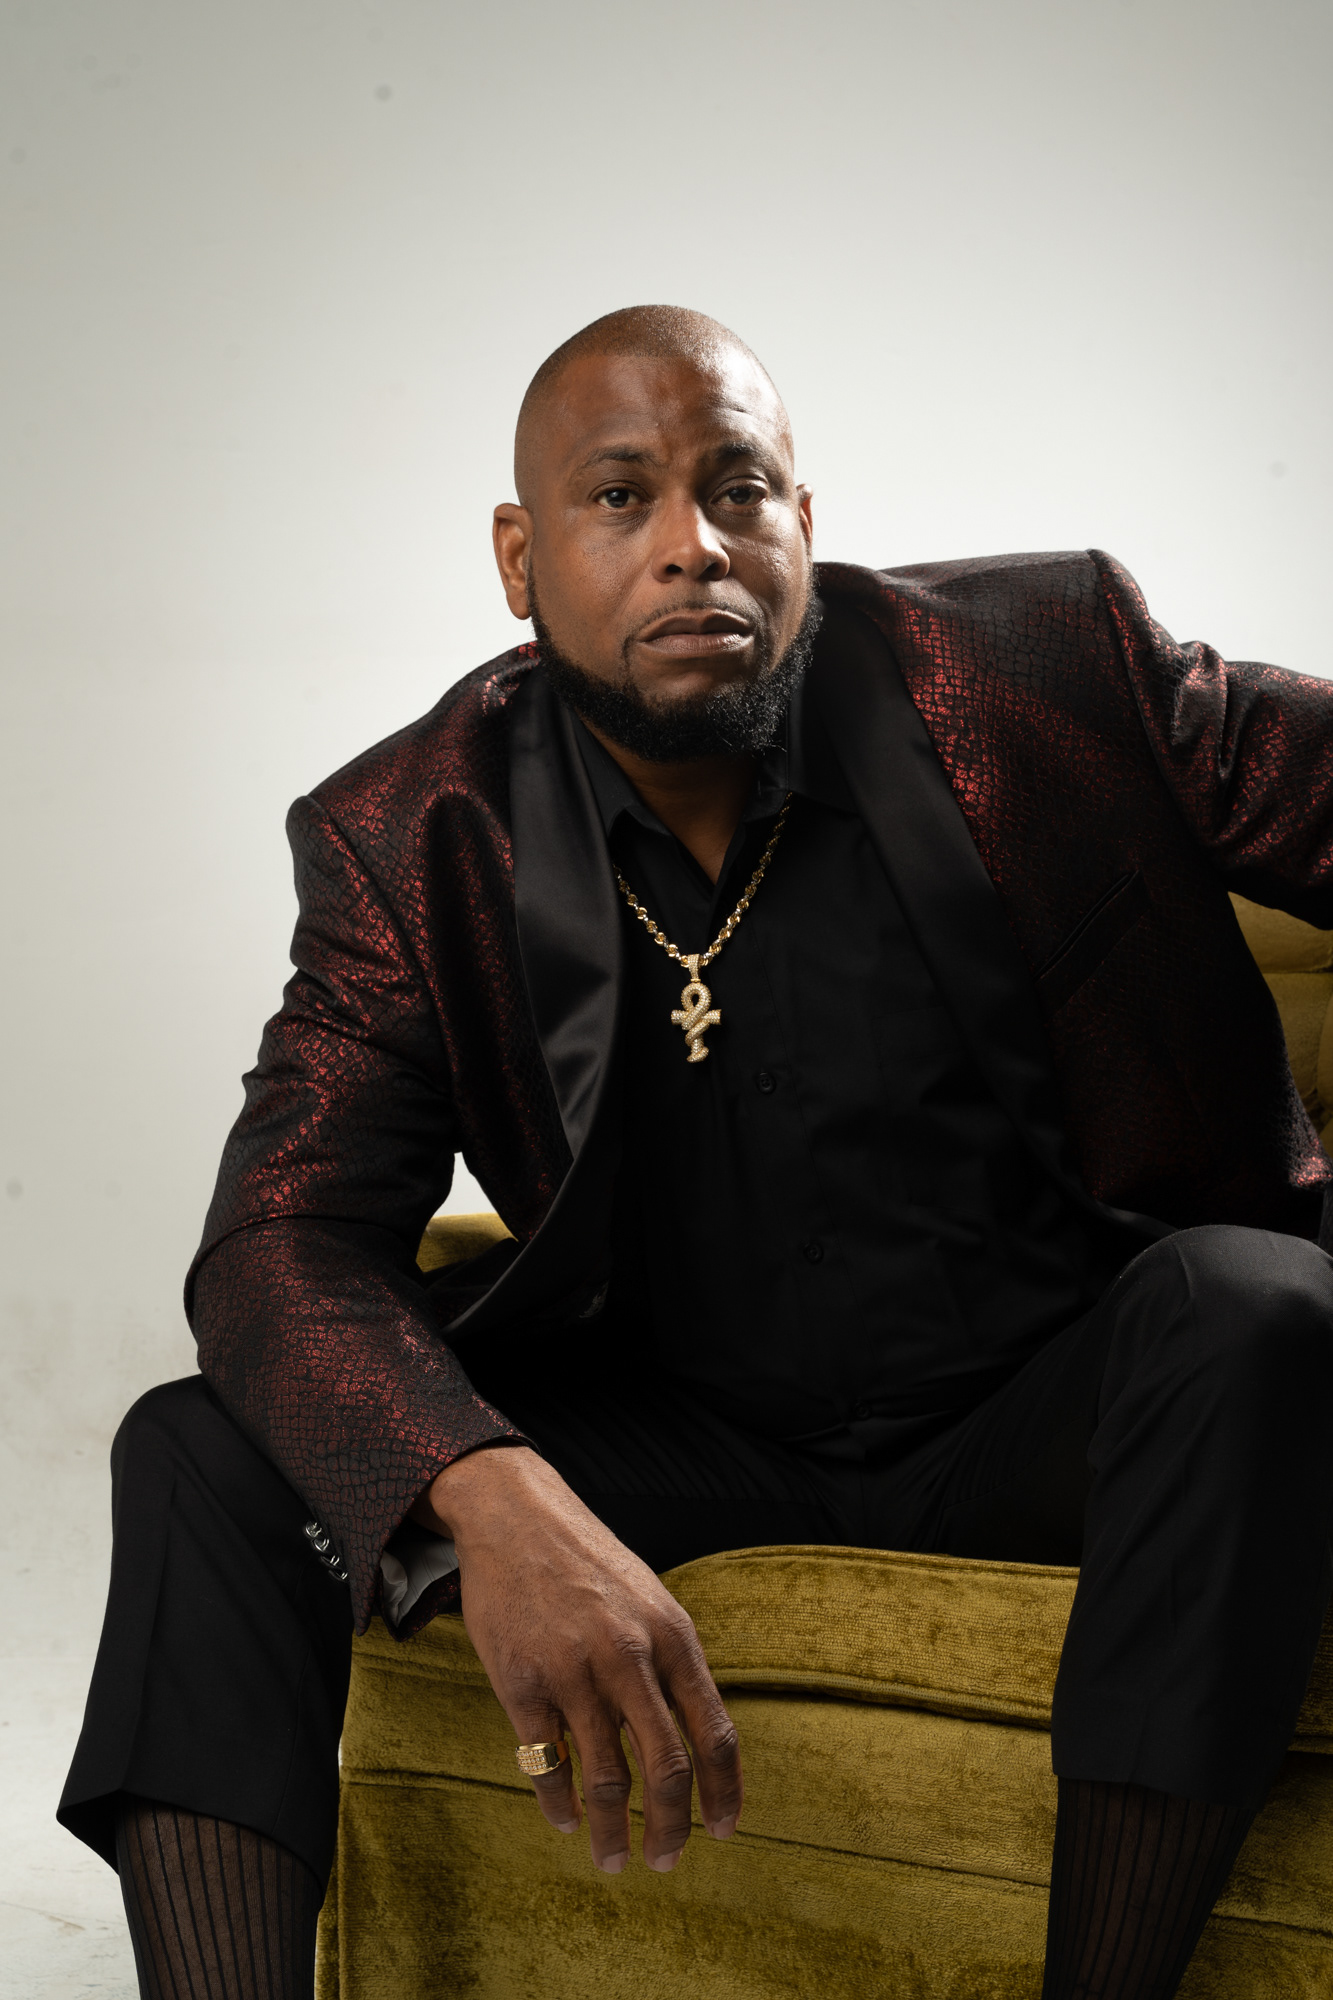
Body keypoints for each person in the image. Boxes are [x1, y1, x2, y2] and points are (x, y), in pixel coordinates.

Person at [61, 304, 1333, 2000]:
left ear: (803, 520)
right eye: (620, 498)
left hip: (1064, 1407)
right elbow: (276, 1245)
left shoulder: (1046, 665)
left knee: (1252, 1305)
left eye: (737, 489)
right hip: (693, 1429)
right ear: (518, 558)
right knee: (200, 1449)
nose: (691, 546)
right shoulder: (411, 836)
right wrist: (487, 1489)